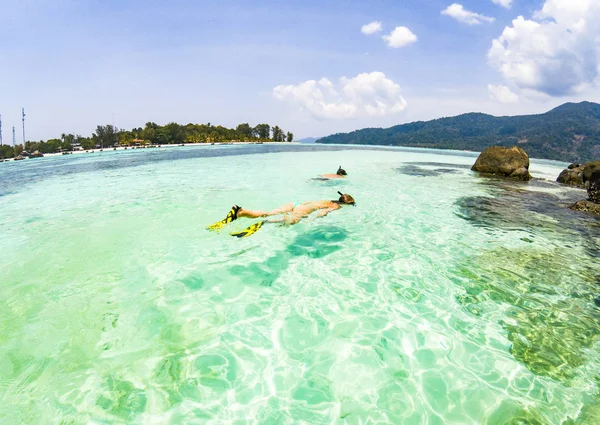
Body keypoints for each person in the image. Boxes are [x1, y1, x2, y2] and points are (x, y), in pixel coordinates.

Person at [207, 192, 356, 237]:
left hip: (296, 203)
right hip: (303, 211)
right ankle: (265, 224)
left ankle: (241, 211)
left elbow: (310, 202)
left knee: (267, 213)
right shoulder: (335, 206)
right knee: (286, 222)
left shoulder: (325, 199)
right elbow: (323, 212)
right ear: (346, 203)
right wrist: (312, 219)